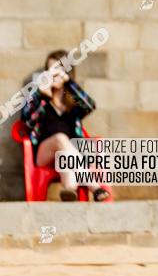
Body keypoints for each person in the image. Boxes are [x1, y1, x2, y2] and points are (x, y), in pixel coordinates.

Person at [21, 50, 109, 201]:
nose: (54, 74)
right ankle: (94, 187)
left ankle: (69, 189)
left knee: (65, 154)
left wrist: (68, 82)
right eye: (50, 70)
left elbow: (90, 105)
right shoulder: (38, 97)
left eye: (58, 70)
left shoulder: (72, 103)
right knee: (61, 139)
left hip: (67, 155)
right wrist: (41, 95)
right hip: (45, 154)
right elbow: (26, 119)